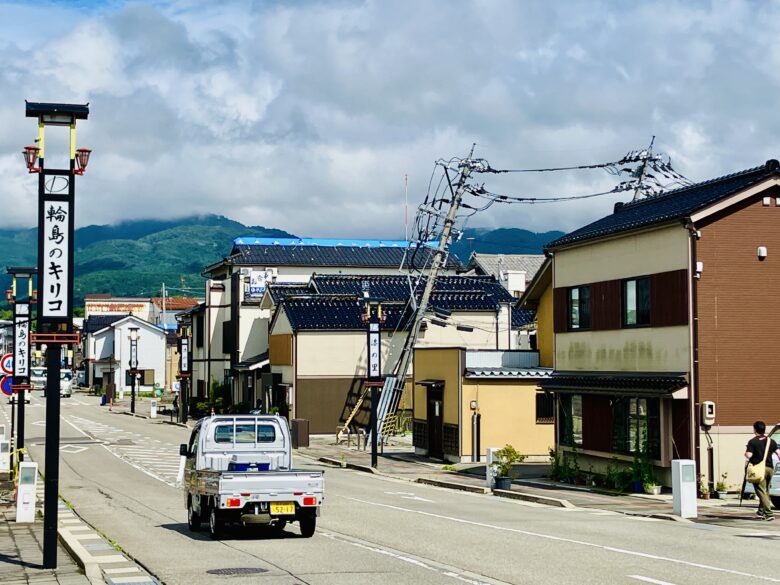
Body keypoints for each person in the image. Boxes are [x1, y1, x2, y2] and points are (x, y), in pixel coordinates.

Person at [745, 420, 780, 521]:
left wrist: (746, 453)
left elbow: (749, 455)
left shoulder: (752, 442)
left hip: (759, 469)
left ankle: (769, 514)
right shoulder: (771, 441)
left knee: (760, 491)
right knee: (766, 491)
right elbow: (778, 453)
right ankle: (760, 512)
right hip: (770, 468)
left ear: (755, 429)